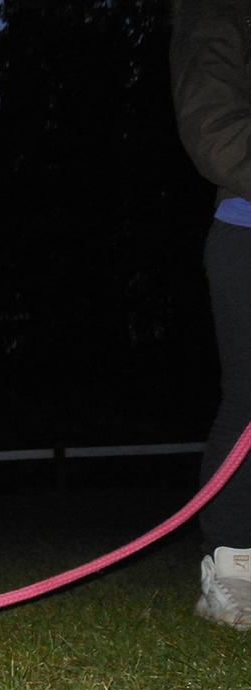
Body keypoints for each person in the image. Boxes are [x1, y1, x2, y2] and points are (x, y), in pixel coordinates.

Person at [171, 0, 251, 630]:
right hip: (246, 232)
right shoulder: (217, 13)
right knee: (248, 402)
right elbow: (213, 130)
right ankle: (232, 571)